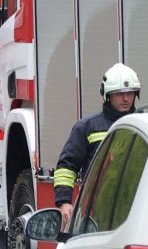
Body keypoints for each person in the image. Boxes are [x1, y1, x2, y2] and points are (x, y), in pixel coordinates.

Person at [54, 63, 141, 227]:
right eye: (119, 94)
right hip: (96, 213)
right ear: (107, 95)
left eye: (130, 93)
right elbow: (67, 166)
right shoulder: (87, 127)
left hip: (138, 208)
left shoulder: (144, 124)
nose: (125, 98)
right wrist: (64, 202)